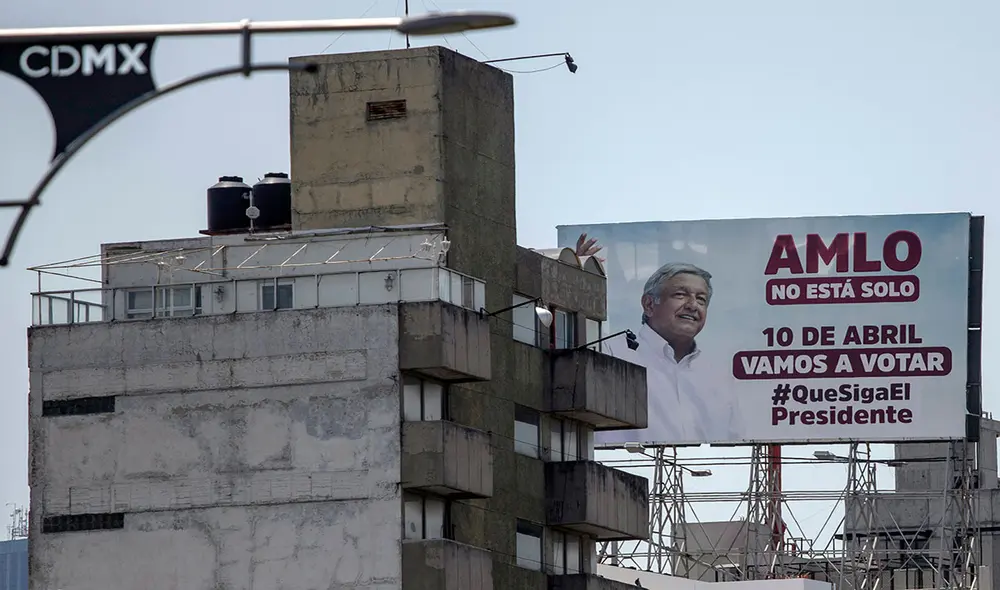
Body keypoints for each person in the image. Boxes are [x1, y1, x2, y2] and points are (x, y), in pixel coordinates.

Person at [574, 235, 743, 444]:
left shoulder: (717, 375)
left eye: (701, 299)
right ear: (648, 304)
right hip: (624, 463)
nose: (693, 305)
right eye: (680, 295)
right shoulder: (611, 354)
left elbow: (735, 440)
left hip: (702, 466)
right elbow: (570, 359)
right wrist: (576, 277)